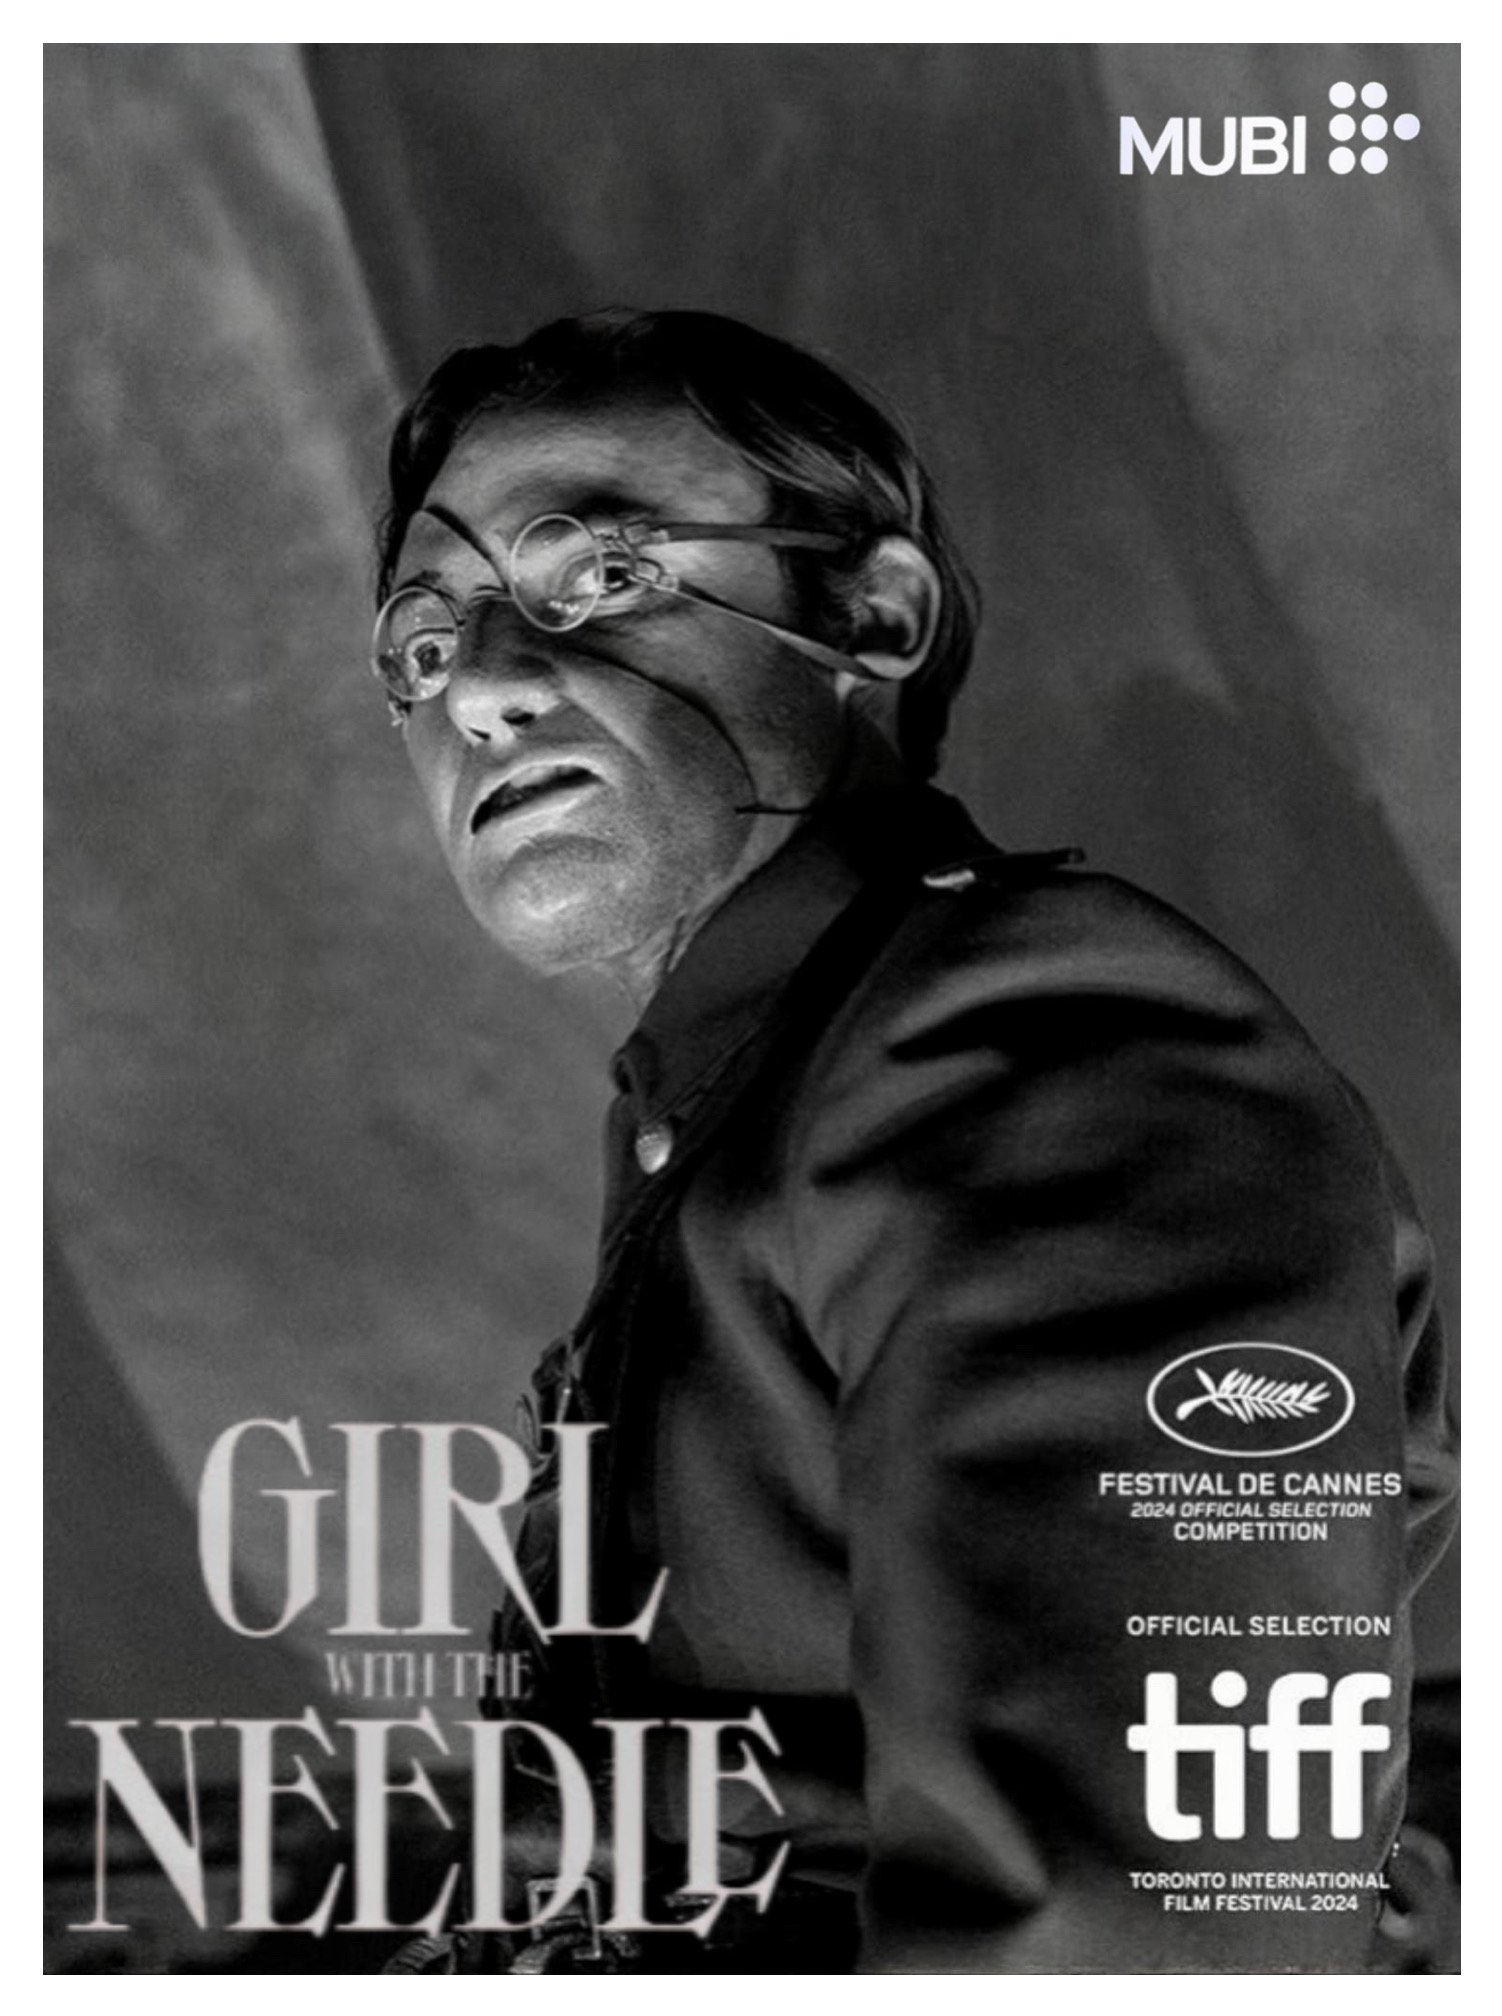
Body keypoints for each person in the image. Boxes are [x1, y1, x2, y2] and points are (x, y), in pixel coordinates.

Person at [370, 309, 1458, 1973]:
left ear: (870, 617)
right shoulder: (753, 1088)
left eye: (596, 571)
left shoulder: (1039, 1050)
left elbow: (1142, 1936)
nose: (486, 688)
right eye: (421, 643)